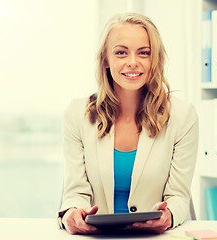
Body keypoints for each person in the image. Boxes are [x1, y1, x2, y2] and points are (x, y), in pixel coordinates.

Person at [57, 12, 198, 235]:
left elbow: (178, 196)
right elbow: (76, 191)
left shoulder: (182, 116)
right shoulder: (77, 114)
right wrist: (71, 212)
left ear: (155, 59)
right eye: (121, 52)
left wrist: (168, 216)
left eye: (144, 53)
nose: (133, 62)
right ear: (106, 59)